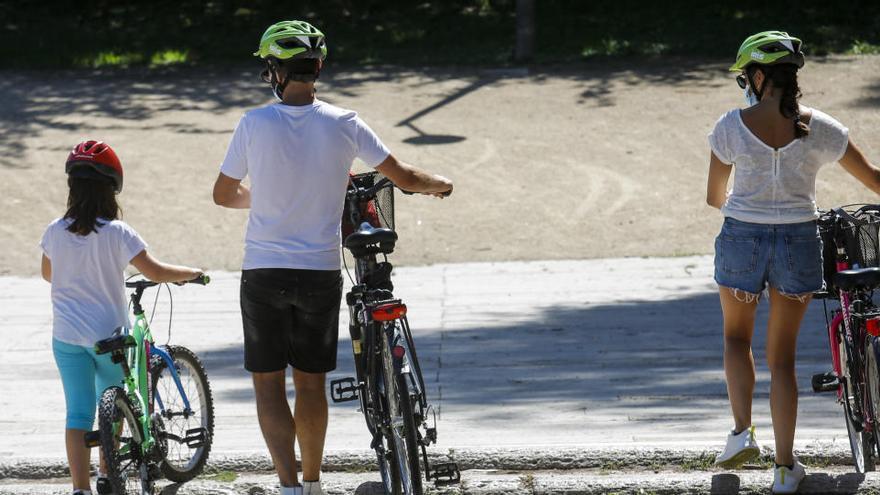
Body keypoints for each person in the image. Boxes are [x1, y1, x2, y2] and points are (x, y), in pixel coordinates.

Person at [212, 20, 453, 495]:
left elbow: (223, 194)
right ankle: (314, 483)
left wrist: (264, 198)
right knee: (309, 384)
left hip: (263, 271)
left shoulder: (253, 124)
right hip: (319, 274)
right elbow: (402, 175)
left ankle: (287, 487)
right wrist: (442, 184)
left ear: (275, 72)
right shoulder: (345, 123)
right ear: (317, 67)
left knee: (267, 385)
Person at [706, 31, 880, 493]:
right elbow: (876, 181)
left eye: (746, 76)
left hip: (742, 238)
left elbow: (713, 197)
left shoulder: (730, 125)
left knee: (735, 337)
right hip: (800, 242)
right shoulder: (822, 126)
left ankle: (741, 434)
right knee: (782, 359)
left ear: (759, 76)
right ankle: (785, 469)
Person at [42, 140, 204, 495]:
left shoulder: (54, 231)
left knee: (78, 414)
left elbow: (48, 274)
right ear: (111, 189)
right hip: (109, 338)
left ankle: (80, 489)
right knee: (112, 406)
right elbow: (156, 270)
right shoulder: (117, 232)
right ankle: (107, 471)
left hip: (67, 338)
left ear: (72, 186)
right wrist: (191, 272)